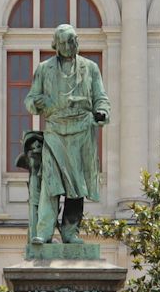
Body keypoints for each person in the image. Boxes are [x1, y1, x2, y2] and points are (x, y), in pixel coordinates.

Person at [24, 23, 109, 248]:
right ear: (56, 45)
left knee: (77, 187)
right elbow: (30, 100)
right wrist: (38, 103)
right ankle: (44, 232)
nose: (70, 46)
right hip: (55, 132)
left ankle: (70, 231)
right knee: (51, 185)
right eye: (65, 43)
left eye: (73, 41)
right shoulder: (44, 69)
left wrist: (102, 112)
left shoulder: (90, 68)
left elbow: (101, 97)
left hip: (81, 132)